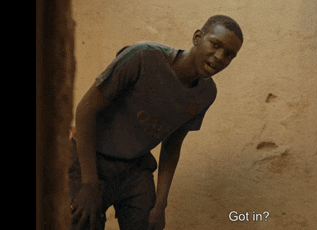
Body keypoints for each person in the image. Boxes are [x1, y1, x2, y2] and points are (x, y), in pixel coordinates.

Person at [68, 15, 243, 230]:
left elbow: (172, 146)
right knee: (81, 221)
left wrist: (161, 205)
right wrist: (89, 184)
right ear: (198, 37)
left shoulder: (206, 93)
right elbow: (85, 110)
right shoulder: (143, 56)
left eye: (229, 55)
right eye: (215, 44)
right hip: (90, 159)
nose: (219, 57)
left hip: (136, 168)